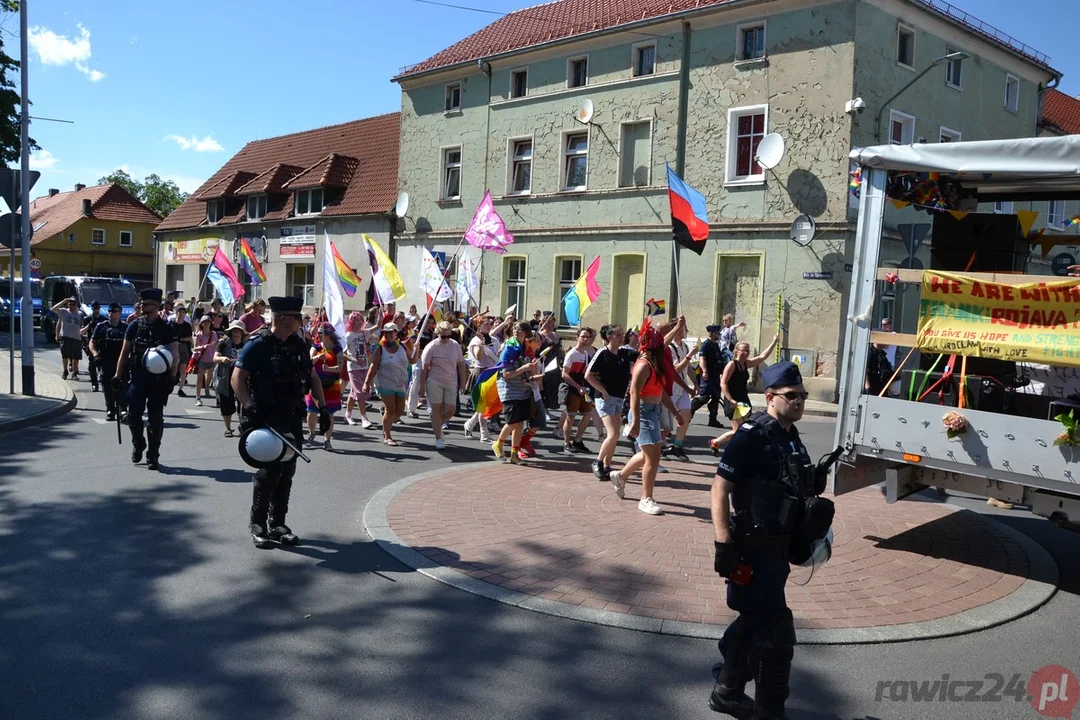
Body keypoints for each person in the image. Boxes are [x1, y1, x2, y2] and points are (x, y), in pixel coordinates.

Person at [709, 361, 831, 720]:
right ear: (770, 397)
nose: (799, 401)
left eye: (802, 396)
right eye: (791, 396)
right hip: (752, 547)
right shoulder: (751, 435)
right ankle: (769, 711)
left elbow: (788, 485)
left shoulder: (790, 436)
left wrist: (813, 483)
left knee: (754, 620)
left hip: (779, 548)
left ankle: (727, 691)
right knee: (775, 631)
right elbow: (719, 488)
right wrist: (723, 544)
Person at [233, 296, 330, 548]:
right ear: (285, 318)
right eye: (298, 318)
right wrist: (249, 406)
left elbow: (312, 377)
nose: (301, 322)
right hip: (264, 417)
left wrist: (323, 408)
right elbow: (237, 378)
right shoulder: (257, 345)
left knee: (287, 471)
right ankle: (258, 524)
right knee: (269, 472)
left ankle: (278, 524)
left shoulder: (299, 346)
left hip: (290, 416)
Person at [608, 321, 685, 515]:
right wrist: (634, 421)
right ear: (654, 346)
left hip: (654, 411)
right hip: (642, 412)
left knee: (649, 453)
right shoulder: (643, 365)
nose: (665, 346)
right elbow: (634, 393)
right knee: (653, 457)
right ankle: (646, 498)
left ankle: (621, 476)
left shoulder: (655, 361)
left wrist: (675, 412)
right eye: (661, 344)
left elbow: (661, 392)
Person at [112, 289, 179, 471]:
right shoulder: (135, 326)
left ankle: (153, 455)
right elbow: (124, 352)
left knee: (155, 418)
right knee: (133, 415)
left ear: (156, 306)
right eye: (142, 303)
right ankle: (138, 443)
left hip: (158, 381)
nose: (142, 306)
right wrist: (118, 375)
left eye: (146, 304)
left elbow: (176, 355)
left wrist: (173, 377)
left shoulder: (167, 328)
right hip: (138, 377)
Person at [710, 336, 781, 453]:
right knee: (738, 431)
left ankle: (717, 442)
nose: (746, 353)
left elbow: (762, 357)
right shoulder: (732, 365)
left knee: (745, 429)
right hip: (733, 401)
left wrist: (774, 342)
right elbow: (723, 383)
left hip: (743, 400)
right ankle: (729, 449)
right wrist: (730, 399)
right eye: (743, 350)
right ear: (736, 351)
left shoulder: (746, 364)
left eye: (748, 350)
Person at [584, 324, 637, 480]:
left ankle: (607, 466)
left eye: (622, 334)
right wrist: (603, 390)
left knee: (614, 434)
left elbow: (643, 356)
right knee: (613, 433)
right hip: (604, 398)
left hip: (619, 398)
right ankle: (597, 462)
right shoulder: (602, 353)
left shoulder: (624, 352)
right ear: (609, 337)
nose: (622, 337)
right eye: (618, 334)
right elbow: (588, 375)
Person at [491, 321, 539, 464]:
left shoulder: (525, 347)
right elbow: (506, 374)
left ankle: (514, 454)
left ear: (526, 333)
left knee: (519, 423)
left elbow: (526, 367)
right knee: (513, 421)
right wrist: (524, 368)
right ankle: (498, 443)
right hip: (509, 388)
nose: (516, 331)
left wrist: (532, 369)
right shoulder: (509, 347)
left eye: (520, 330)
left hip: (521, 387)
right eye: (515, 329)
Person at [418, 320, 468, 449]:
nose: (446, 339)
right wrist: (422, 387)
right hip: (434, 381)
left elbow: (461, 364)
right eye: (443, 336)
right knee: (436, 410)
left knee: (451, 410)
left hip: (451, 381)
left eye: (448, 336)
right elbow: (424, 368)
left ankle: (438, 423)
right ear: (437, 334)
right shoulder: (431, 347)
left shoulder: (455, 345)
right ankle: (438, 437)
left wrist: (463, 382)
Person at [363, 323, 409, 446]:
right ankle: (387, 436)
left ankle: (386, 422)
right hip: (385, 383)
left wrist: (415, 348)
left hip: (400, 383)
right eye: (386, 332)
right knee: (390, 409)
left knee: (400, 411)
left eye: (391, 332)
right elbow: (373, 367)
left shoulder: (403, 347)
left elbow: (413, 360)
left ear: (396, 333)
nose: (388, 335)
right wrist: (367, 383)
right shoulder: (380, 349)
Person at [89, 302, 128, 422]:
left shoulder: (126, 327)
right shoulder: (101, 326)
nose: (111, 313)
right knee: (107, 386)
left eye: (114, 311)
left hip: (122, 362)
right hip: (106, 361)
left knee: (123, 386)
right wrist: (95, 354)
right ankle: (110, 409)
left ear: (120, 313)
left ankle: (122, 410)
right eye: (110, 311)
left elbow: (131, 345)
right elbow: (92, 342)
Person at [560, 328, 597, 454]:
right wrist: (577, 386)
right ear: (577, 337)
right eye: (583, 336)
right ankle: (566, 443)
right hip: (573, 389)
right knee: (571, 415)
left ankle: (578, 440)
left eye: (588, 337)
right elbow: (564, 374)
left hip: (584, 388)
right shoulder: (572, 354)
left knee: (588, 414)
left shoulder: (587, 354)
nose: (586, 339)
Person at [305, 324, 342, 450]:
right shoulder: (316, 347)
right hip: (315, 384)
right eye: (318, 333)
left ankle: (327, 440)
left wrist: (329, 369)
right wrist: (317, 357)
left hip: (331, 386)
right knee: (312, 412)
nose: (319, 335)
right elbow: (308, 362)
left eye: (322, 333)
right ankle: (311, 433)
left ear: (329, 335)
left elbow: (340, 367)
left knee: (329, 414)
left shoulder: (337, 349)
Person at [464, 316, 500, 442]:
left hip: (493, 373)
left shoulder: (495, 340)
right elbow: (478, 357)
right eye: (486, 323)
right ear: (479, 326)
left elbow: (498, 356)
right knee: (483, 406)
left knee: (487, 405)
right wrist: (481, 343)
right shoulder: (475, 340)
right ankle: (484, 434)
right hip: (482, 373)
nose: (489, 325)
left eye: (490, 323)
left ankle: (469, 425)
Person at [213, 321, 247, 437]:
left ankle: (243, 426)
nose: (236, 332)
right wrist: (222, 359)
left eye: (238, 330)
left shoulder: (246, 344)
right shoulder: (223, 343)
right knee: (226, 402)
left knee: (243, 403)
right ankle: (228, 428)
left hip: (241, 378)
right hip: (225, 376)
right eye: (234, 330)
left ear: (242, 332)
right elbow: (215, 358)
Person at [692, 324, 727, 428]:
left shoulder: (714, 344)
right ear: (712, 334)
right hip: (708, 375)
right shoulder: (706, 344)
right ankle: (689, 410)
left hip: (715, 376)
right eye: (717, 333)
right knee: (704, 397)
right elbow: (702, 358)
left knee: (716, 397)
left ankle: (713, 419)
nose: (719, 335)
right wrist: (704, 371)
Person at [343, 311, 374, 429]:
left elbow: (377, 327)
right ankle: (364, 419)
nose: (359, 322)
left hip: (364, 366)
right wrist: (355, 360)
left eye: (360, 320)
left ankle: (348, 415)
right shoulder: (349, 335)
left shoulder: (363, 333)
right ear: (351, 322)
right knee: (361, 393)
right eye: (356, 320)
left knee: (353, 393)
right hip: (353, 368)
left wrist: (380, 317)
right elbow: (343, 353)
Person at [51, 296, 84, 381]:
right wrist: (63, 301)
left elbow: (82, 325)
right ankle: (65, 370)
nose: (71, 305)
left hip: (76, 338)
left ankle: (74, 373)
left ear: (76, 304)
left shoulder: (80, 314)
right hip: (66, 337)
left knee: (76, 357)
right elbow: (53, 309)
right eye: (69, 304)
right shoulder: (63, 312)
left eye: (73, 304)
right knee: (65, 355)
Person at [191, 315, 219, 407]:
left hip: (211, 359)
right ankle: (198, 397)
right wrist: (203, 347)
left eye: (208, 322)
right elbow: (195, 348)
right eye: (204, 322)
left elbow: (216, 346)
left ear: (210, 323)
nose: (206, 323)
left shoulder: (214, 334)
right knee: (199, 379)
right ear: (201, 324)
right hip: (202, 359)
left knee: (210, 377)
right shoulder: (199, 335)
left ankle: (206, 388)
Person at [82, 301, 107, 392]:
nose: (96, 310)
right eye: (94, 309)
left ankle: (103, 383)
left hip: (102, 344)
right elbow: (82, 332)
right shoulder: (88, 319)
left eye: (97, 308)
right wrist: (89, 325)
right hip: (92, 344)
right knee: (92, 366)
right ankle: (94, 384)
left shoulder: (104, 319)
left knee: (102, 366)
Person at [170, 305, 194, 398]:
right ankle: (171, 382)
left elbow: (189, 337)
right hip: (173, 347)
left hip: (183, 348)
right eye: (180, 312)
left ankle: (180, 389)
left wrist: (184, 339)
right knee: (173, 368)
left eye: (183, 312)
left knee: (183, 369)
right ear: (176, 313)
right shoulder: (171, 324)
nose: (181, 314)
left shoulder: (187, 325)